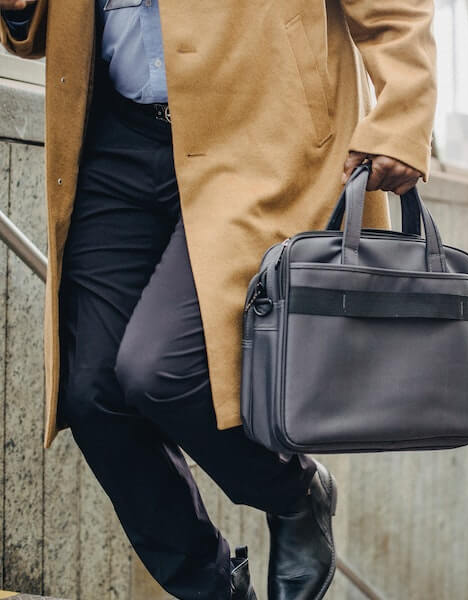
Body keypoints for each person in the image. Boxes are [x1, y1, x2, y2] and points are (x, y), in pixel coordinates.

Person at [0, 0, 437, 598]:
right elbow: (47, 26)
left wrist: (402, 116)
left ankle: (294, 492)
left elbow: (395, 8)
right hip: (115, 133)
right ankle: (213, 589)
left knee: (161, 370)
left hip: (255, 134)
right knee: (92, 392)